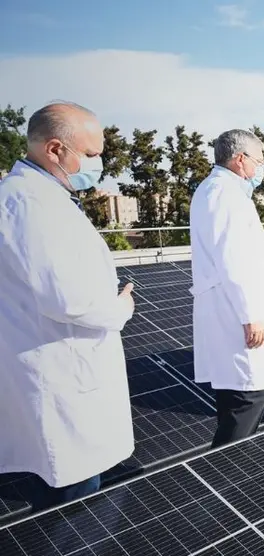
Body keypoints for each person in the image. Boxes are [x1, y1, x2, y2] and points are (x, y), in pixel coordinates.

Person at [0, 102, 136, 510]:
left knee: (68, 483)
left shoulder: (34, 196)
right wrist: (120, 308)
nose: (99, 163)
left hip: (58, 361)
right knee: (74, 502)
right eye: (92, 154)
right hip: (62, 371)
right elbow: (68, 299)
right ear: (56, 149)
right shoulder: (30, 203)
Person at [189, 129, 264, 448]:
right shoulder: (224, 195)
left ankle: (225, 474)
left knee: (237, 398)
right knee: (249, 398)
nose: (260, 169)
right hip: (236, 316)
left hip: (229, 311)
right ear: (241, 159)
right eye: (259, 161)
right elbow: (232, 260)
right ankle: (224, 474)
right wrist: (251, 316)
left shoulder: (216, 191)